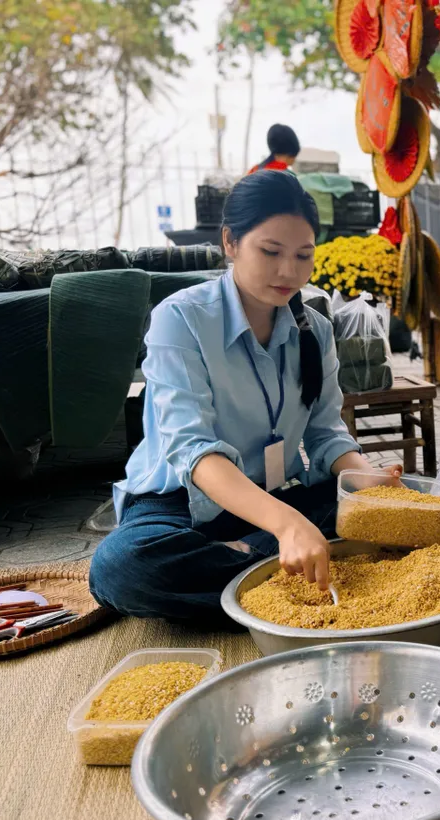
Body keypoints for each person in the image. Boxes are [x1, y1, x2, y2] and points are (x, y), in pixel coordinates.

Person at [90, 169, 399, 626]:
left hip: (273, 496)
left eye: (303, 255)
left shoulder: (315, 329)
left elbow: (326, 431)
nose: (289, 271)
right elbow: (194, 453)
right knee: (122, 568)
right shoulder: (181, 319)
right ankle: (289, 565)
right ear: (231, 242)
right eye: (270, 251)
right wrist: (287, 525)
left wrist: (364, 480)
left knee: (386, 511)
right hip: (181, 505)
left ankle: (257, 567)